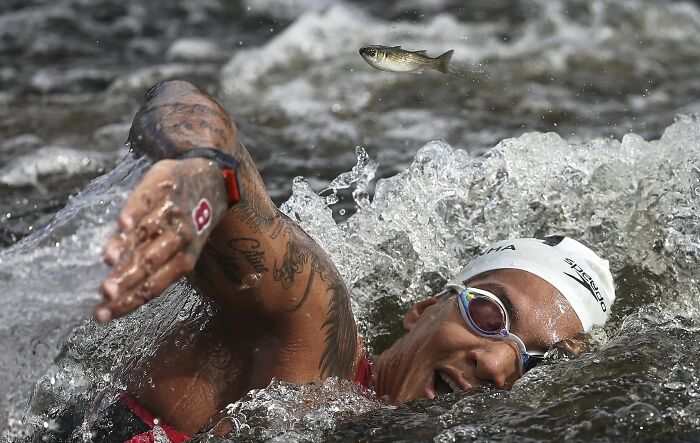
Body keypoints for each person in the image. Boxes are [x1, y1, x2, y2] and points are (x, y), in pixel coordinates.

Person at [94, 80, 615, 440]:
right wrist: (199, 165)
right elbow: (187, 107)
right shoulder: (312, 341)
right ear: (423, 307)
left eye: (536, 363)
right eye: (490, 314)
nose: (500, 364)